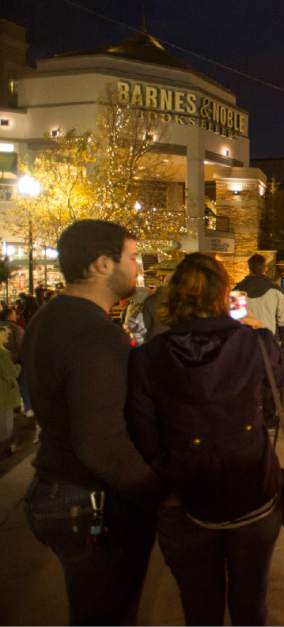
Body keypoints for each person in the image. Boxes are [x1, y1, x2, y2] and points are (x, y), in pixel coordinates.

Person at [127, 253, 284, 626]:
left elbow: (143, 434)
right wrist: (249, 326)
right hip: (252, 490)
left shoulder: (148, 358)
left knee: (200, 608)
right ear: (224, 294)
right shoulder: (256, 341)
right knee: (250, 602)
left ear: (174, 296)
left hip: (184, 496)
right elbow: (277, 387)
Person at [23, 220, 162, 624]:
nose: (139, 268)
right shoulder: (95, 334)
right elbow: (101, 441)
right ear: (103, 264)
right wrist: (154, 491)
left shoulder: (51, 317)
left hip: (59, 489)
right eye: (132, 257)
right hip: (89, 503)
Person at [234, 254, 284, 336]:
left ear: (249, 268)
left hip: (244, 341)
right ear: (265, 268)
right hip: (268, 340)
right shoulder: (276, 290)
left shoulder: (237, 291)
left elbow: (234, 320)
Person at [0, 308, 28, 420]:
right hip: (14, 362)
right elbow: (23, 347)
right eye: (14, 314)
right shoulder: (16, 329)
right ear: (10, 316)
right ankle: (26, 409)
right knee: (23, 383)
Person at [0, 327, 20, 457]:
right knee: (6, 422)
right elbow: (11, 373)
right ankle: (4, 450)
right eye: (6, 335)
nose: (8, 337)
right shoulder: (2, 353)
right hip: (4, 391)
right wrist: (18, 366)